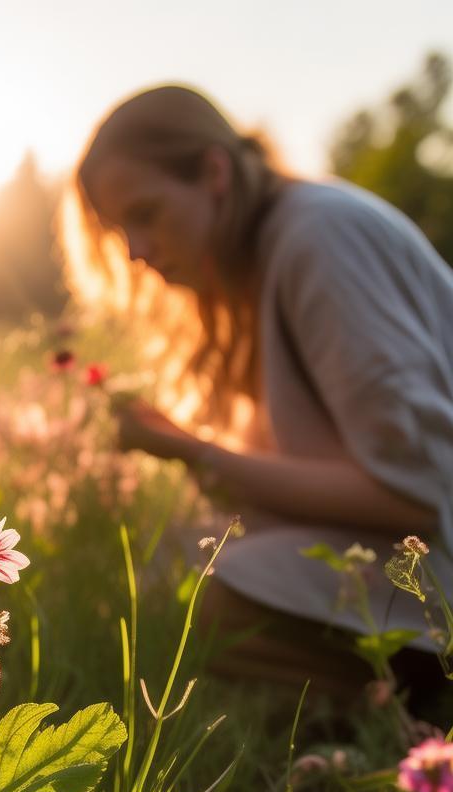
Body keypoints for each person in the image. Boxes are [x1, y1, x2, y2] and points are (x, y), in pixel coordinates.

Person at [65, 84, 453, 703]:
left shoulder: (318, 240)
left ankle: (412, 724)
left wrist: (198, 453)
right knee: (168, 557)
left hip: (436, 557)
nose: (134, 252)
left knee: (218, 599)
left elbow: (418, 497)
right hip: (416, 552)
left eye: (146, 214)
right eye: (119, 231)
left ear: (214, 172)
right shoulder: (270, 251)